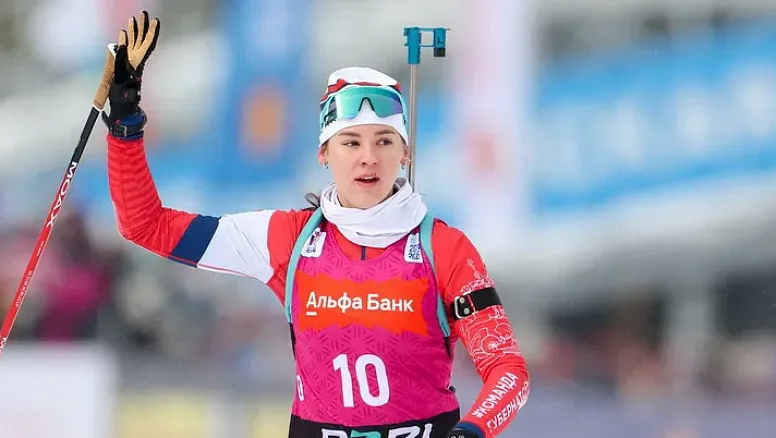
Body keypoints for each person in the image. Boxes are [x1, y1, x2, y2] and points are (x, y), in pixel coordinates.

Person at [103, 12, 530, 438]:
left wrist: (471, 431)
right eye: (351, 142)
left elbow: (507, 370)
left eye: (384, 141)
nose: (368, 158)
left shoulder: (444, 248)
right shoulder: (288, 239)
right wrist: (125, 126)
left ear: (405, 153)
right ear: (324, 153)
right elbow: (145, 224)